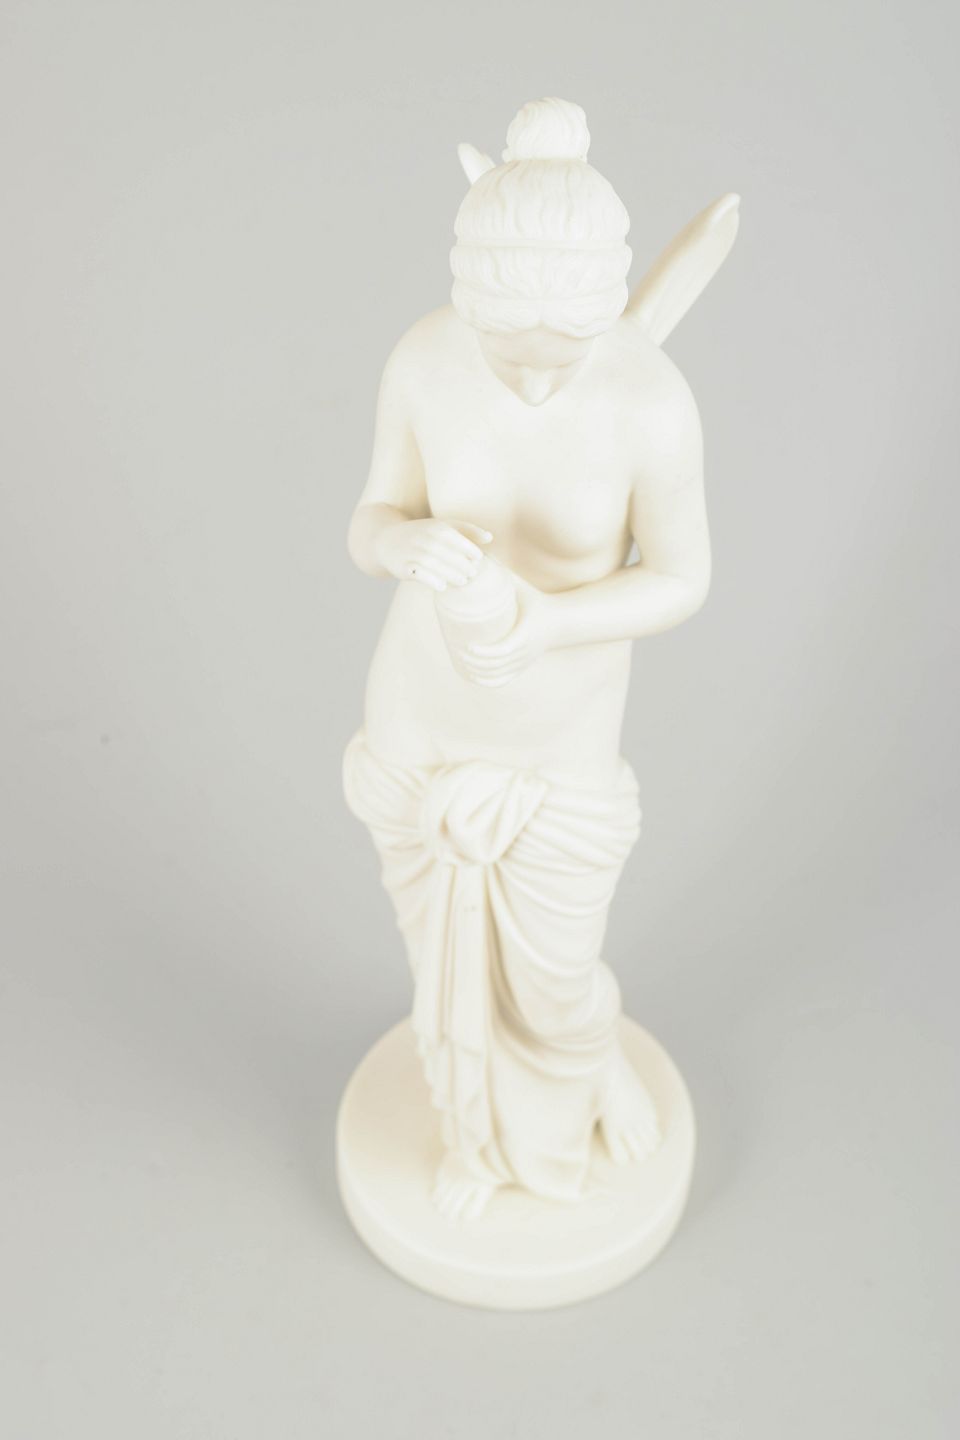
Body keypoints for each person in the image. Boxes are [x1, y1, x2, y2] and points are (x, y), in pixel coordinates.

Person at [344, 97, 730, 1221]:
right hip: (420, 714)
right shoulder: (425, 360)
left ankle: (590, 1059)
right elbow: (369, 518)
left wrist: (549, 623)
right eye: (508, 353)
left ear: (605, 314)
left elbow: (684, 578)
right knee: (440, 959)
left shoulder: (650, 402)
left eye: (562, 357)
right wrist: (402, 546)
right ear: (470, 305)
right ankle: (477, 1139)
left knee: (554, 981)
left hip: (558, 740)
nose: (532, 382)